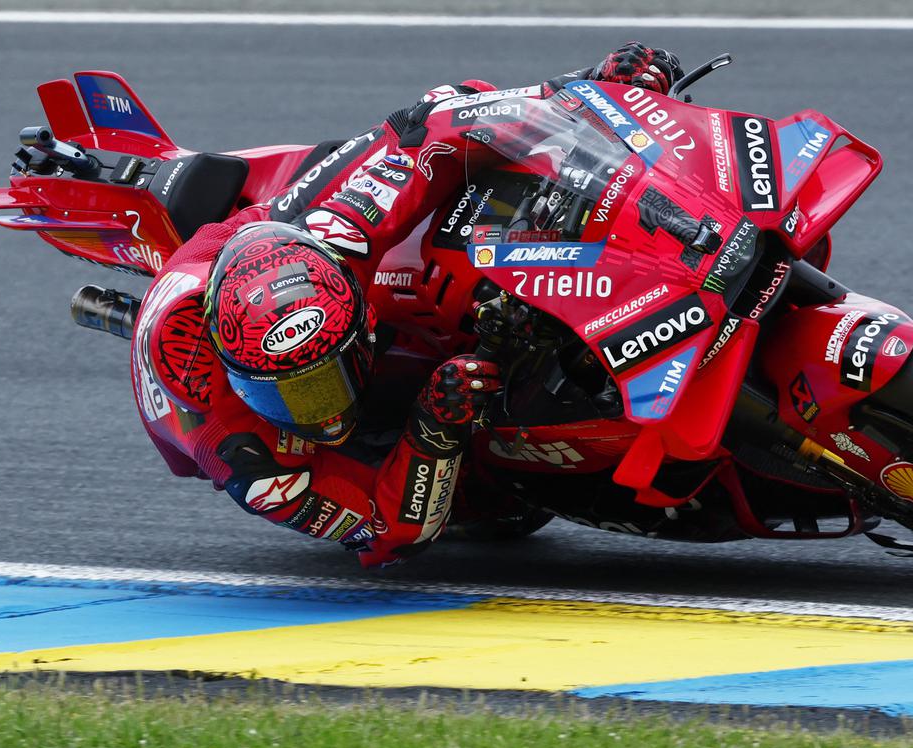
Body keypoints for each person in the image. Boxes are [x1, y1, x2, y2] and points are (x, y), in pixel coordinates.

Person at [132, 43, 684, 567]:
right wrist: (433, 432)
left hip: (268, 235)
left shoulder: (339, 235)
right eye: (292, 395)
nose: (321, 410)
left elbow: (439, 118)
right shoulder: (245, 458)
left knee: (441, 146)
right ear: (241, 377)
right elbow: (384, 532)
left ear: (360, 321)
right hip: (217, 325)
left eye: (324, 382)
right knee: (492, 507)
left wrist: (584, 87)